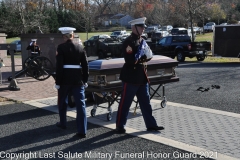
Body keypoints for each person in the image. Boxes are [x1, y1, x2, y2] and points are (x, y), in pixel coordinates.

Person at [115, 17, 164, 134]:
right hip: (130, 77)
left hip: (141, 76)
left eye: (143, 27)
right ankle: (120, 125)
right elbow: (129, 60)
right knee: (125, 103)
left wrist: (148, 56)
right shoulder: (128, 42)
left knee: (146, 103)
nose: (143, 29)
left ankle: (151, 125)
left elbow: (147, 54)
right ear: (134, 28)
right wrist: (142, 58)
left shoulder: (142, 40)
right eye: (141, 27)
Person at [55, 27, 89, 138]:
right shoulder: (80, 47)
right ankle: (82, 130)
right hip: (77, 80)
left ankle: (63, 123)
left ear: (64, 37)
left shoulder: (60, 48)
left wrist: (58, 81)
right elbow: (85, 66)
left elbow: (59, 66)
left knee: (62, 102)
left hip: (64, 80)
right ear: (72, 36)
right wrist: (85, 80)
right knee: (81, 105)